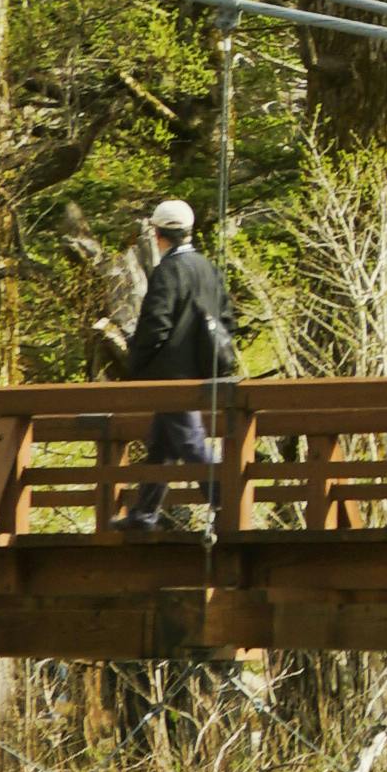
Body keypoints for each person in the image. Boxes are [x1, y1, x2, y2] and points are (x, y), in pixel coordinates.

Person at [112, 194, 235, 532]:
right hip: (202, 372)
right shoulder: (208, 268)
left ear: (158, 234)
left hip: (172, 376)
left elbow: (156, 324)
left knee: (191, 443)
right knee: (163, 444)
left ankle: (228, 502)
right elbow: (227, 318)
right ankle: (144, 514)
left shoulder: (169, 271)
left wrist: (137, 362)